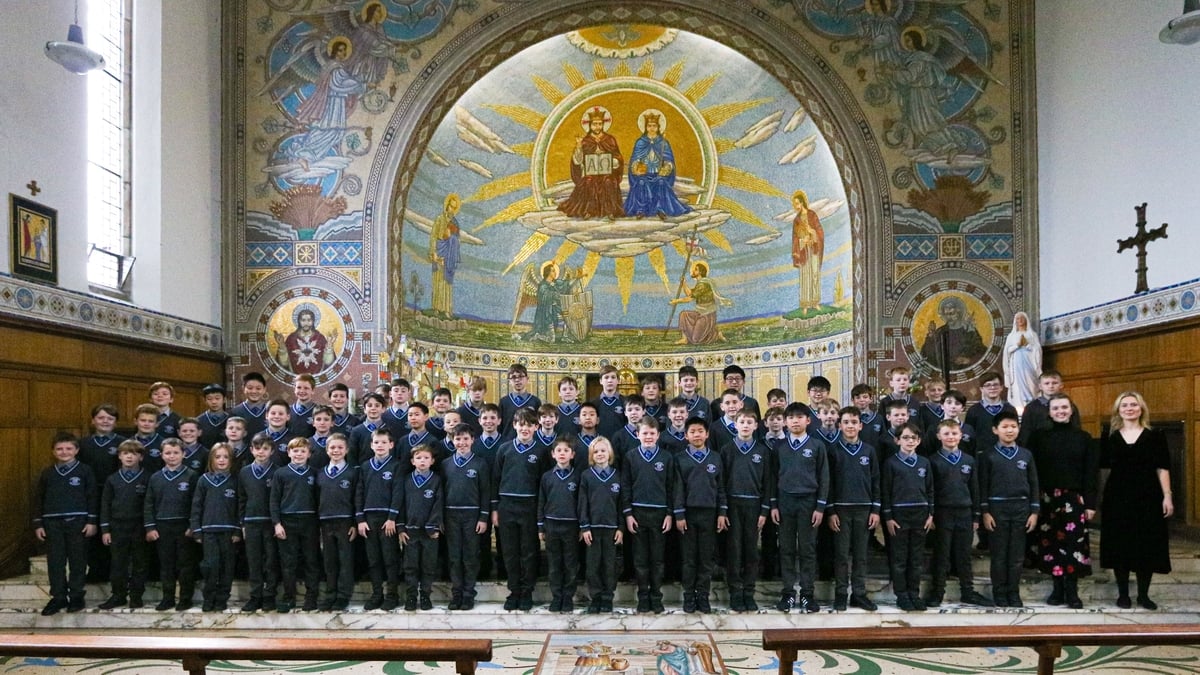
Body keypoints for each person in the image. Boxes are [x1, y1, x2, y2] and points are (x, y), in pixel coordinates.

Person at [1100, 391, 1173, 610]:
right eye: (1125, 405)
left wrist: (1167, 496)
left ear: (1141, 409)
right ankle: (1123, 595)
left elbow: (1163, 468)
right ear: (1118, 410)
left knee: (1146, 545)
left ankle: (1143, 595)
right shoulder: (1110, 436)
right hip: (1118, 497)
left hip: (1148, 497)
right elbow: (1104, 470)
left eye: (1134, 405)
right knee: (1120, 545)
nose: (1129, 408)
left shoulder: (1155, 436)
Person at [1029, 394, 1098, 609]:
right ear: (1049, 412)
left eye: (1064, 407)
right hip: (1046, 497)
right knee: (1050, 543)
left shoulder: (1084, 438)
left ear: (1071, 410)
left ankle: (1072, 591)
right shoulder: (1038, 437)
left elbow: (1091, 473)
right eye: (1056, 408)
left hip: (1074, 497)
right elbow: (1032, 472)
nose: (1060, 411)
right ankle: (1057, 589)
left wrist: (1090, 503)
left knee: (1074, 543)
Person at [925, 420, 992, 607]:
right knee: (942, 554)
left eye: (954, 433)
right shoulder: (933, 460)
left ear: (961, 435)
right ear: (939, 436)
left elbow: (975, 489)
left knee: (964, 555)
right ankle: (937, 592)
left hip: (965, 512)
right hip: (942, 513)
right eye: (946, 434)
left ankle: (968, 592)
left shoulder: (969, 460)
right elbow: (930, 490)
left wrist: (976, 515)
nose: (951, 437)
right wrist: (931, 514)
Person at [772, 402, 829, 613]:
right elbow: (772, 477)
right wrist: (774, 505)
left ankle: (807, 594)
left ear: (808, 420)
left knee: (807, 550)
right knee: (786, 549)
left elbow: (824, 477)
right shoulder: (780, 447)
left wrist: (820, 506)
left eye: (799, 417)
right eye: (791, 417)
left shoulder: (817, 446)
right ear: (785, 422)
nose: (795, 421)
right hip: (785, 502)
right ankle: (788, 593)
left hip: (809, 503)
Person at [978, 410, 1039, 608]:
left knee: (1016, 556)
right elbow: (983, 485)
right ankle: (999, 592)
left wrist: (1034, 511)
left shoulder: (1026, 454)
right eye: (1005, 427)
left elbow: (1034, 483)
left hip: (1021, 508)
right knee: (999, 555)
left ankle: (1013, 592)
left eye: (1013, 426)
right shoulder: (988, 455)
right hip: (997, 509)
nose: (1010, 430)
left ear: (1019, 429)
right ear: (995, 430)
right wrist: (985, 512)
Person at [34, 433, 99, 616]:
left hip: (78, 522)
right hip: (52, 523)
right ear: (53, 451)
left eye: (69, 448)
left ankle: (77, 596)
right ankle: (58, 597)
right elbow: (39, 498)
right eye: (60, 449)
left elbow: (92, 496)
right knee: (55, 562)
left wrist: (92, 521)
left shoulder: (85, 471)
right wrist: (38, 523)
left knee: (78, 561)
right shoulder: (48, 472)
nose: (64, 452)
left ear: (77, 450)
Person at [492, 408, 548, 611]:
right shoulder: (504, 449)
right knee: (510, 551)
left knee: (529, 551)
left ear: (536, 427)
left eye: (529, 424)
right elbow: (495, 480)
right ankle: (513, 590)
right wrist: (495, 508)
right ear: (514, 425)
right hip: (507, 505)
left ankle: (527, 591)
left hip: (530, 506)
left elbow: (544, 484)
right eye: (521, 424)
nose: (525, 428)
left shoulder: (541, 451)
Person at [826, 407, 880, 612]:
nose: (850, 426)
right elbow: (827, 483)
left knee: (860, 555)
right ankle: (840, 593)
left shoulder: (869, 450)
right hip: (840, 510)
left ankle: (859, 594)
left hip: (864, 509)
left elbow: (876, 481)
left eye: (854, 422)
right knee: (840, 554)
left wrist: (875, 509)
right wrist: (830, 511)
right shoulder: (832, 450)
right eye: (846, 422)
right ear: (840, 425)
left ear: (860, 425)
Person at [674, 418, 728, 614]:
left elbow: (721, 487)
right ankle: (689, 595)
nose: (696, 435)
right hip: (688, 514)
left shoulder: (715, 457)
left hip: (710, 514)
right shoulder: (679, 459)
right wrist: (679, 514)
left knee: (706, 558)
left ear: (707, 434)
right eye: (693, 431)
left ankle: (703, 595)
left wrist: (722, 512)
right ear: (686, 435)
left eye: (700, 431)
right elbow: (677, 488)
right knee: (689, 558)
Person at [622, 417, 675, 614]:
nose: (648, 437)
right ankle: (643, 597)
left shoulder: (667, 457)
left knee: (657, 559)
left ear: (658, 435)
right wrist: (628, 513)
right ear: (638, 435)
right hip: (637, 513)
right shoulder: (630, 456)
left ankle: (656, 597)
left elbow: (671, 487)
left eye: (652, 433)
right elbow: (626, 486)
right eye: (644, 433)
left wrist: (670, 513)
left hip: (660, 514)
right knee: (641, 559)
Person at [720, 410, 771, 612]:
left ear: (756, 425)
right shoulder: (726, 449)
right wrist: (723, 510)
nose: (746, 425)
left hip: (754, 505)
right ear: (736, 424)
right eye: (742, 422)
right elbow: (721, 482)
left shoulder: (763, 451)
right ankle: (735, 592)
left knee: (751, 551)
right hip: (732, 505)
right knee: (734, 550)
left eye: (750, 422)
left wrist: (764, 510)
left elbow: (768, 482)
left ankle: (749, 592)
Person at [881, 422, 933, 611]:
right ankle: (901, 594)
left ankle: (914, 593)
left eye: (913, 438)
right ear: (897, 440)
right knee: (900, 558)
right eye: (905, 437)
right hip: (899, 515)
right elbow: (885, 491)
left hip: (920, 514)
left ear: (919, 441)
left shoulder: (924, 463)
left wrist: (930, 514)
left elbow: (930, 490)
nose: (909, 441)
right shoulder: (891, 463)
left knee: (916, 558)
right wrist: (888, 517)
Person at [144, 438, 198, 611]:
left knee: (185, 564)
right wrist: (150, 527)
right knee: (166, 564)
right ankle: (167, 598)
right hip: (162, 526)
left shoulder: (191, 475)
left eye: (176, 453)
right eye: (168, 453)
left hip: (184, 526)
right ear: (161, 455)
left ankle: (185, 598)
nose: (172, 456)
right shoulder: (155, 477)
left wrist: (193, 525)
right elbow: (149, 503)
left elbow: (196, 503)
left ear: (184, 454)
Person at [442, 424, 490, 610]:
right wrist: (440, 519)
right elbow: (441, 492)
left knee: (470, 555)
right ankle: (457, 593)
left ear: (472, 440)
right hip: (450, 514)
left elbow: (485, 491)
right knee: (454, 556)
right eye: (458, 439)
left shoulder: (480, 463)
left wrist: (483, 517)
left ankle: (469, 594)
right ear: (453, 441)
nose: (461, 442)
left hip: (472, 515)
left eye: (465, 439)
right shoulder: (446, 464)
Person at [271, 437, 321, 613]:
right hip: (287, 520)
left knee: (311, 561)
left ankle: (311, 597)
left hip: (309, 520)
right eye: (295, 450)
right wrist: (277, 523)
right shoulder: (281, 473)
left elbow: (319, 499)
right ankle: (288, 597)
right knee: (288, 562)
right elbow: (274, 500)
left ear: (309, 454)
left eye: (302, 451)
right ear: (289, 452)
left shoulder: (315, 473)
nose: (299, 454)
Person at [99, 440, 150, 610]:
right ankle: (118, 595)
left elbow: (151, 504)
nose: (129, 456)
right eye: (126, 453)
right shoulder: (112, 479)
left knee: (139, 562)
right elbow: (105, 504)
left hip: (139, 526)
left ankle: (136, 596)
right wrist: (105, 529)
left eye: (134, 453)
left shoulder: (147, 477)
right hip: (117, 526)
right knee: (118, 563)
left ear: (140, 457)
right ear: (119, 456)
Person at [190, 443, 240, 612]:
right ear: (211, 459)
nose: (221, 460)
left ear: (231, 460)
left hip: (229, 531)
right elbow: (196, 506)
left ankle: (222, 598)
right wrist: (196, 529)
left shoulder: (236, 480)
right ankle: (209, 598)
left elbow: (240, 507)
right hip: (208, 531)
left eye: (226, 457)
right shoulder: (203, 480)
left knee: (227, 567)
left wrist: (238, 530)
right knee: (210, 566)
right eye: (218, 457)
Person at [355, 427, 401, 611]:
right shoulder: (365, 467)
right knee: (373, 559)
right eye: (376, 442)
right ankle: (376, 594)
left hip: (387, 519)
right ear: (371, 445)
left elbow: (398, 493)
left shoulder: (396, 466)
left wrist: (392, 517)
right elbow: (359, 492)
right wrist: (360, 519)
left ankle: (392, 594)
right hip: (368, 519)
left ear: (391, 444)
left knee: (390, 558)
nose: (380, 445)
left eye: (384, 442)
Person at [578, 437, 622, 614]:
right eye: (596, 451)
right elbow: (582, 504)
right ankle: (595, 597)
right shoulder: (586, 476)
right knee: (593, 565)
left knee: (609, 565)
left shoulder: (617, 476)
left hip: (611, 529)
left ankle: (607, 597)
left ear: (609, 453)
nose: (600, 454)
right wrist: (585, 527)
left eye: (603, 450)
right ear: (591, 455)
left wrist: (620, 528)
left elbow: (621, 504)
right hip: (593, 529)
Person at [623, 109, 692, 218]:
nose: (651, 128)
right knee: (641, 182)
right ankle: (641, 210)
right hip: (644, 174)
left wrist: (667, 167)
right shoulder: (640, 142)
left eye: (654, 126)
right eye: (649, 126)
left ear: (658, 127)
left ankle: (660, 209)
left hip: (658, 174)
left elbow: (669, 159)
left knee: (660, 182)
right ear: (645, 127)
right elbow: (635, 158)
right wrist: (635, 166)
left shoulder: (663, 142)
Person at [398, 445, 443, 611]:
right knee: (410, 565)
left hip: (429, 532)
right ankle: (411, 596)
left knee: (428, 565)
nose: (422, 461)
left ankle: (425, 595)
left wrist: (433, 525)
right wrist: (401, 527)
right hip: (410, 531)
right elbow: (400, 504)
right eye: (418, 458)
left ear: (432, 461)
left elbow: (438, 504)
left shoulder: (436, 480)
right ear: (412, 461)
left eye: (426, 458)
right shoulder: (406, 480)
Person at [539, 438, 581, 613]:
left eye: (566, 451)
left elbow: (582, 503)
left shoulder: (578, 476)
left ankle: (568, 597)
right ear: (553, 454)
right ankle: (557, 597)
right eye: (559, 451)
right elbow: (541, 500)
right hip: (552, 525)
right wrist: (541, 526)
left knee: (570, 564)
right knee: (555, 564)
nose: (562, 453)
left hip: (571, 526)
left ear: (572, 454)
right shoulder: (547, 476)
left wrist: (581, 526)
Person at [558, 107, 623, 219]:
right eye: (594, 124)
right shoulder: (585, 141)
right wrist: (578, 147)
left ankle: (610, 211)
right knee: (588, 181)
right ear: (590, 125)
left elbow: (618, 157)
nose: (597, 127)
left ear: (603, 124)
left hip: (606, 172)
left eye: (599, 124)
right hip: (591, 173)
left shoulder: (610, 139)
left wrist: (611, 161)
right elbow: (577, 161)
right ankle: (589, 210)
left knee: (609, 181)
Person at [238, 433, 278, 613]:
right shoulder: (245, 472)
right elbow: (241, 499)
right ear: (251, 450)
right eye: (257, 448)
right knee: (253, 561)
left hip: (270, 522)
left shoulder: (278, 471)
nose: (261, 452)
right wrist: (243, 524)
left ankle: (269, 595)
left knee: (270, 561)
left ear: (272, 451)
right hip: (251, 522)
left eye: (265, 449)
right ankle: (255, 596)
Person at [671, 261, 732, 345]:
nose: (693, 271)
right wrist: (684, 283)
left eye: (695, 270)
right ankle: (684, 339)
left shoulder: (703, 284)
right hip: (700, 313)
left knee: (696, 340)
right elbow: (689, 293)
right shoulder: (700, 284)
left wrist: (676, 301)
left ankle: (716, 334)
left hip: (707, 315)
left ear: (700, 272)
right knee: (683, 314)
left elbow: (690, 298)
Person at [921, 296, 986, 370]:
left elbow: (982, 351)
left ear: (959, 313)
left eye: (952, 313)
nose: (949, 317)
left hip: (964, 370)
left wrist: (969, 360)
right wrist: (931, 335)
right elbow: (927, 355)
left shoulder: (969, 331)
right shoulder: (940, 332)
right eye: (946, 314)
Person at [274, 304, 338, 375]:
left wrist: (329, 344)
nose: (306, 323)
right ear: (299, 321)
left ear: (313, 321)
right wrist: (281, 345)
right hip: (295, 377)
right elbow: (284, 363)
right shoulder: (292, 338)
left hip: (317, 375)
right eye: (303, 320)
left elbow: (328, 362)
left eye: (309, 320)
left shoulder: (320, 338)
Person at [791, 189, 825, 313]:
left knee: (815, 274)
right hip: (804, 252)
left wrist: (813, 232)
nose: (795, 207)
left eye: (797, 204)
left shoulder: (812, 215)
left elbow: (820, 231)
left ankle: (815, 302)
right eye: (794, 204)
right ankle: (805, 305)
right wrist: (801, 242)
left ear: (802, 203)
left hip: (814, 249)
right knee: (805, 276)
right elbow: (795, 238)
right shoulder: (796, 221)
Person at [430, 193, 462, 318]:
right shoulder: (439, 219)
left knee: (447, 283)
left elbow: (457, 240)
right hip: (439, 251)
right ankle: (437, 308)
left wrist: (452, 238)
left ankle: (447, 310)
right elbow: (433, 236)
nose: (452, 210)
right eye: (450, 207)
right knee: (438, 280)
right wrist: (434, 252)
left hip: (449, 255)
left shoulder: (455, 223)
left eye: (454, 208)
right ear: (446, 206)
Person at [1003, 311, 1042, 413]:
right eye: (1017, 319)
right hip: (1016, 364)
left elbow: (1037, 350)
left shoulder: (1032, 334)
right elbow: (1007, 351)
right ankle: (1019, 406)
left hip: (1029, 364)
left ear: (1026, 320)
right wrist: (1017, 345)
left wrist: (1028, 345)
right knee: (1017, 386)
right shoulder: (1011, 336)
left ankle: (1030, 403)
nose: (1019, 320)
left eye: (1021, 318)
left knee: (1030, 383)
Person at [501, 364, 542, 432]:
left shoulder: (535, 401)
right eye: (513, 377)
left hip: (530, 440)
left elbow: (539, 425)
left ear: (527, 379)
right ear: (509, 381)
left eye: (521, 376)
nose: (517, 380)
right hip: (508, 441)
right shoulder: (504, 402)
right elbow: (500, 426)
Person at [591, 364, 625, 438]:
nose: (610, 380)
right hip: (600, 444)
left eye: (613, 377)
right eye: (606, 377)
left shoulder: (625, 402)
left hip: (620, 443)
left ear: (618, 381)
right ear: (601, 381)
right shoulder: (593, 403)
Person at [231, 372, 269, 438]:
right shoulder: (235, 412)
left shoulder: (270, 411)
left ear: (264, 389)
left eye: (258, 388)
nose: (254, 391)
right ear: (243, 388)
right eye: (250, 388)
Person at [196, 383, 230, 448]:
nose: (214, 402)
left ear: (224, 400)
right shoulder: (198, 421)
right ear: (204, 401)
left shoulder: (230, 420)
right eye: (209, 399)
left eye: (217, 398)